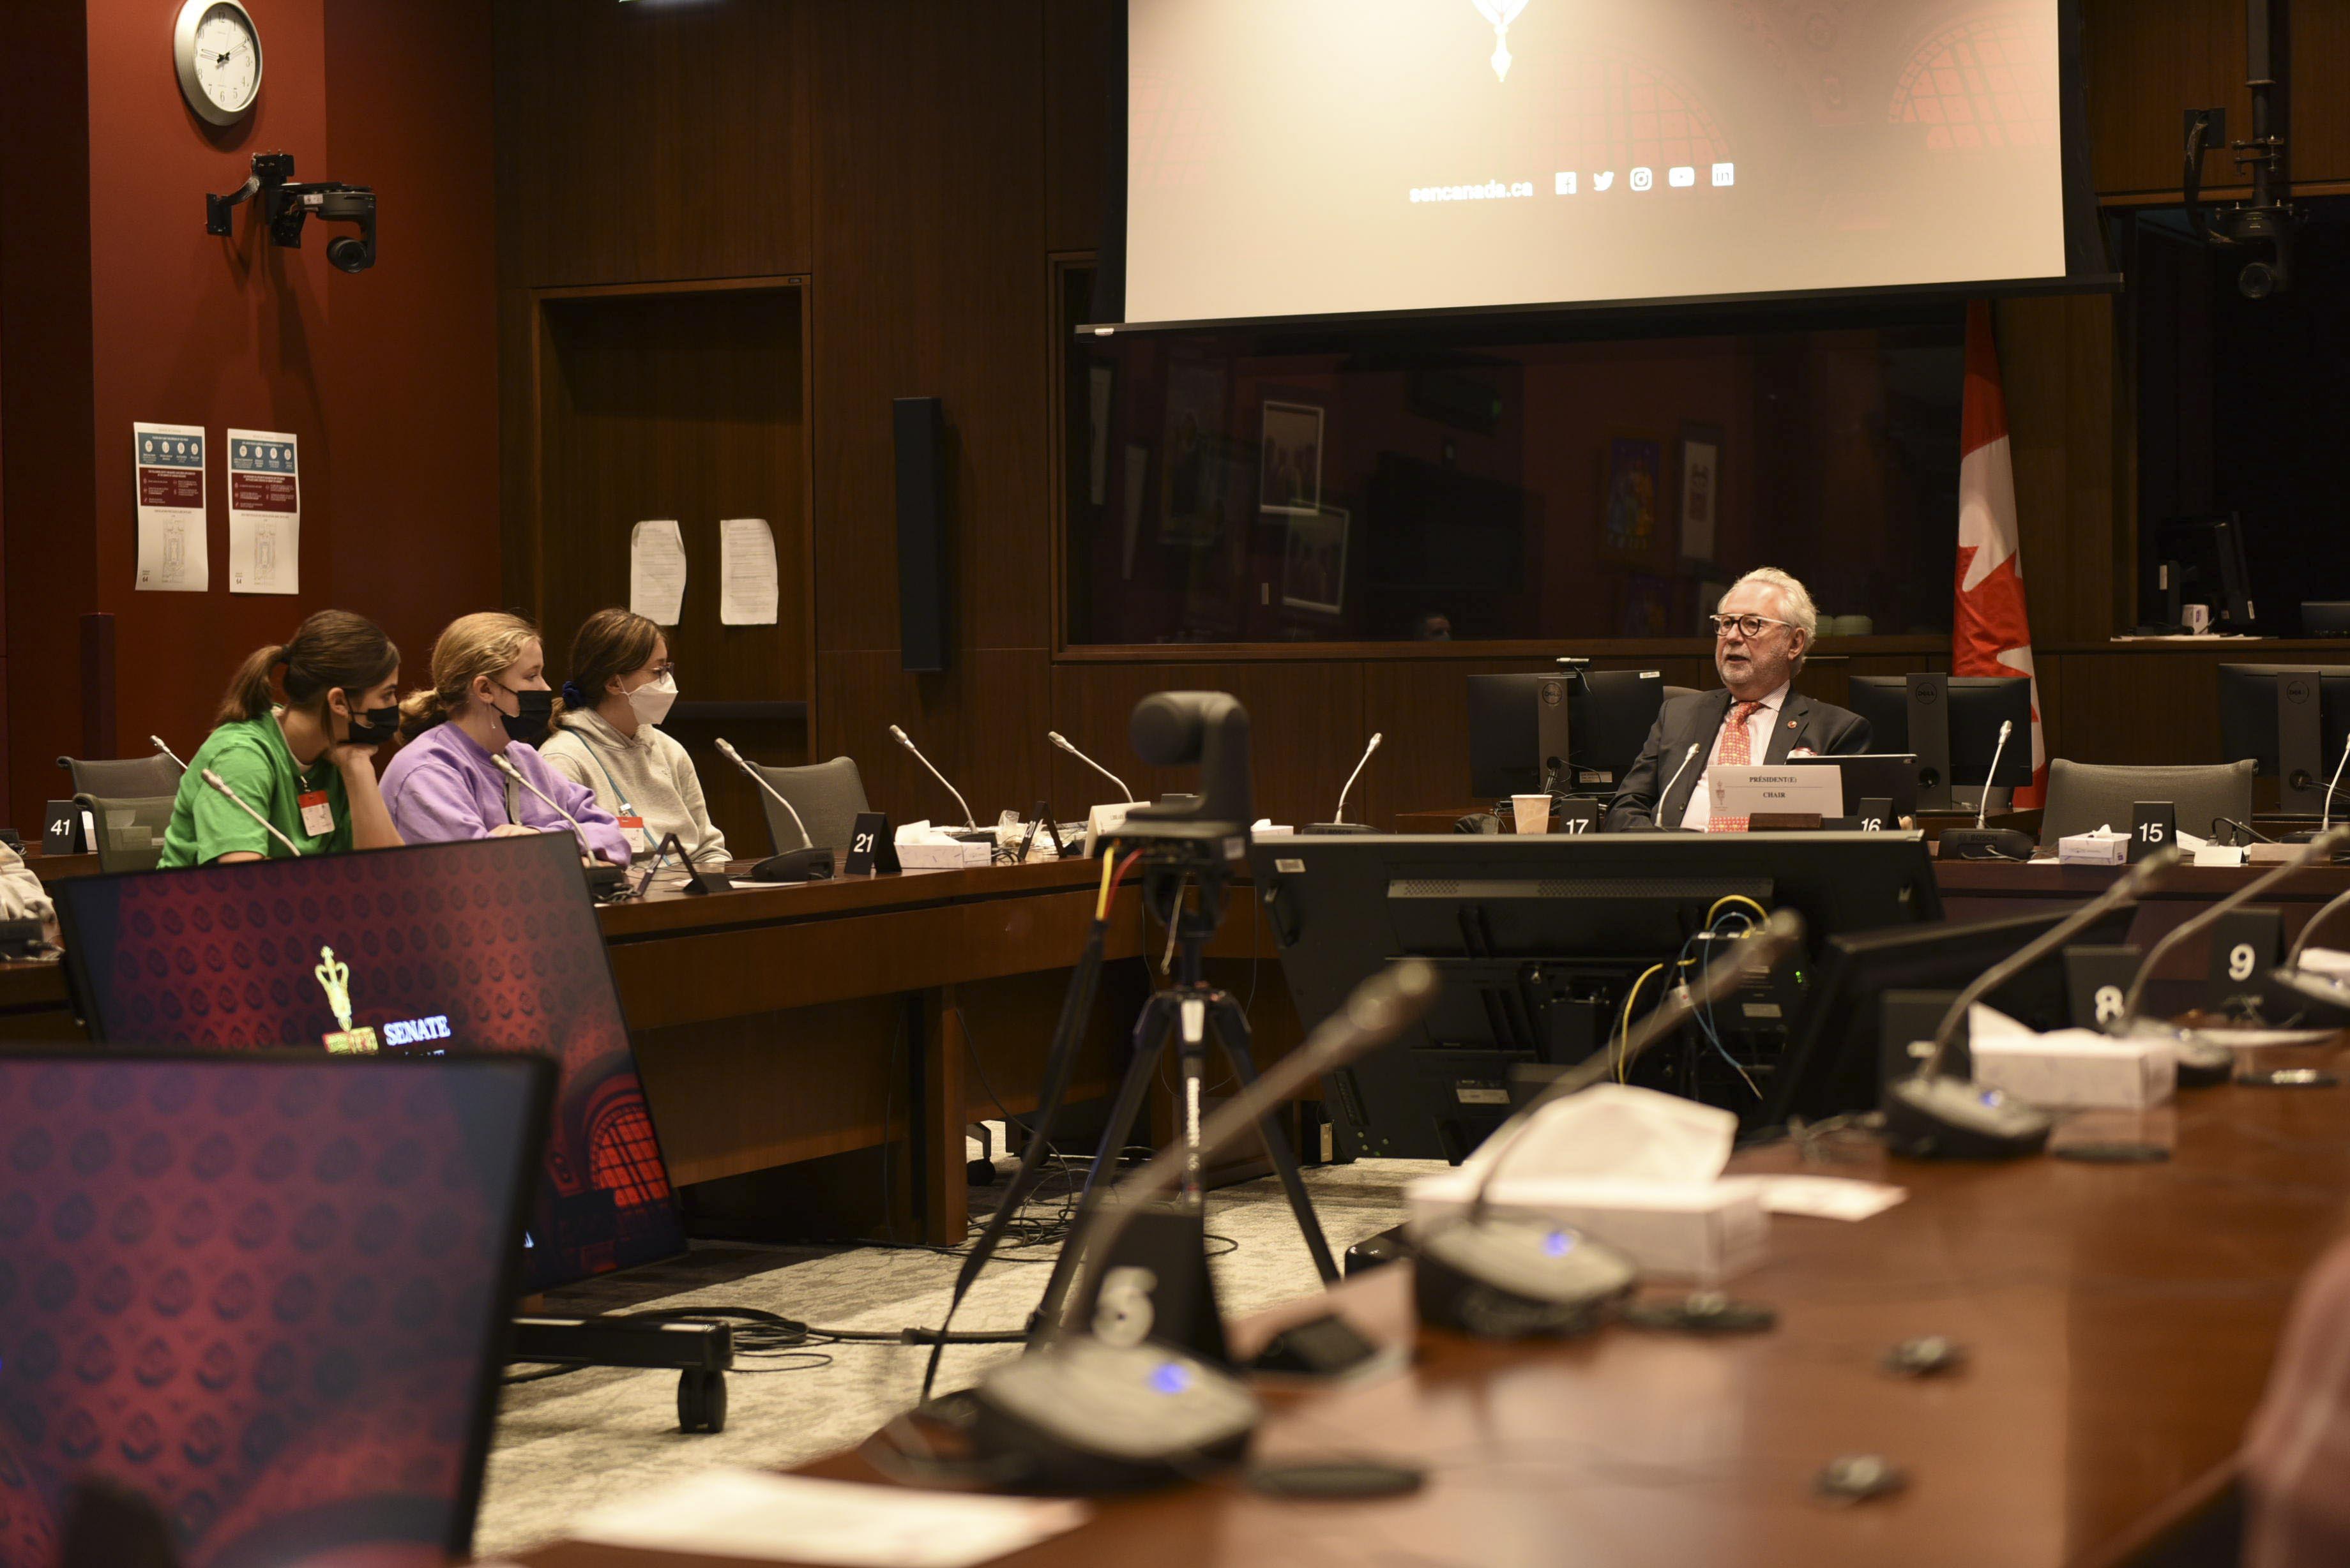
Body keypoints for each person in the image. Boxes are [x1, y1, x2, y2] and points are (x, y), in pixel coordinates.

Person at [1604, 567, 1872, 831]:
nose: (1732, 636)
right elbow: (1625, 808)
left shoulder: (1837, 731)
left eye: (1752, 624)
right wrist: (1665, 850)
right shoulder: (1677, 715)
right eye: (1726, 623)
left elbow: (1842, 835)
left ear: (1794, 643)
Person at [379, 610, 632, 865]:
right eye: (531, 676)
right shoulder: (426, 771)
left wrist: (540, 837)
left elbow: (612, 835)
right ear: (485, 689)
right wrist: (576, 859)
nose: (546, 688)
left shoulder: (523, 758)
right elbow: (479, 870)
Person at [158, 610, 406, 865]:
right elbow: (242, 880)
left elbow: (386, 870)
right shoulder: (241, 757)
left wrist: (358, 766)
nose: (394, 705)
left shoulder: (337, 754)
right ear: (339, 702)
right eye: (387, 694)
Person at [540, 608, 729, 867]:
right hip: (624, 889)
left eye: (668, 669)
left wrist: (714, 881)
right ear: (614, 683)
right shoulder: (562, 758)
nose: (667, 681)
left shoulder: (669, 749)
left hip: (690, 887)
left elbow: (709, 849)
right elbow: (565, 865)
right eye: (657, 671)